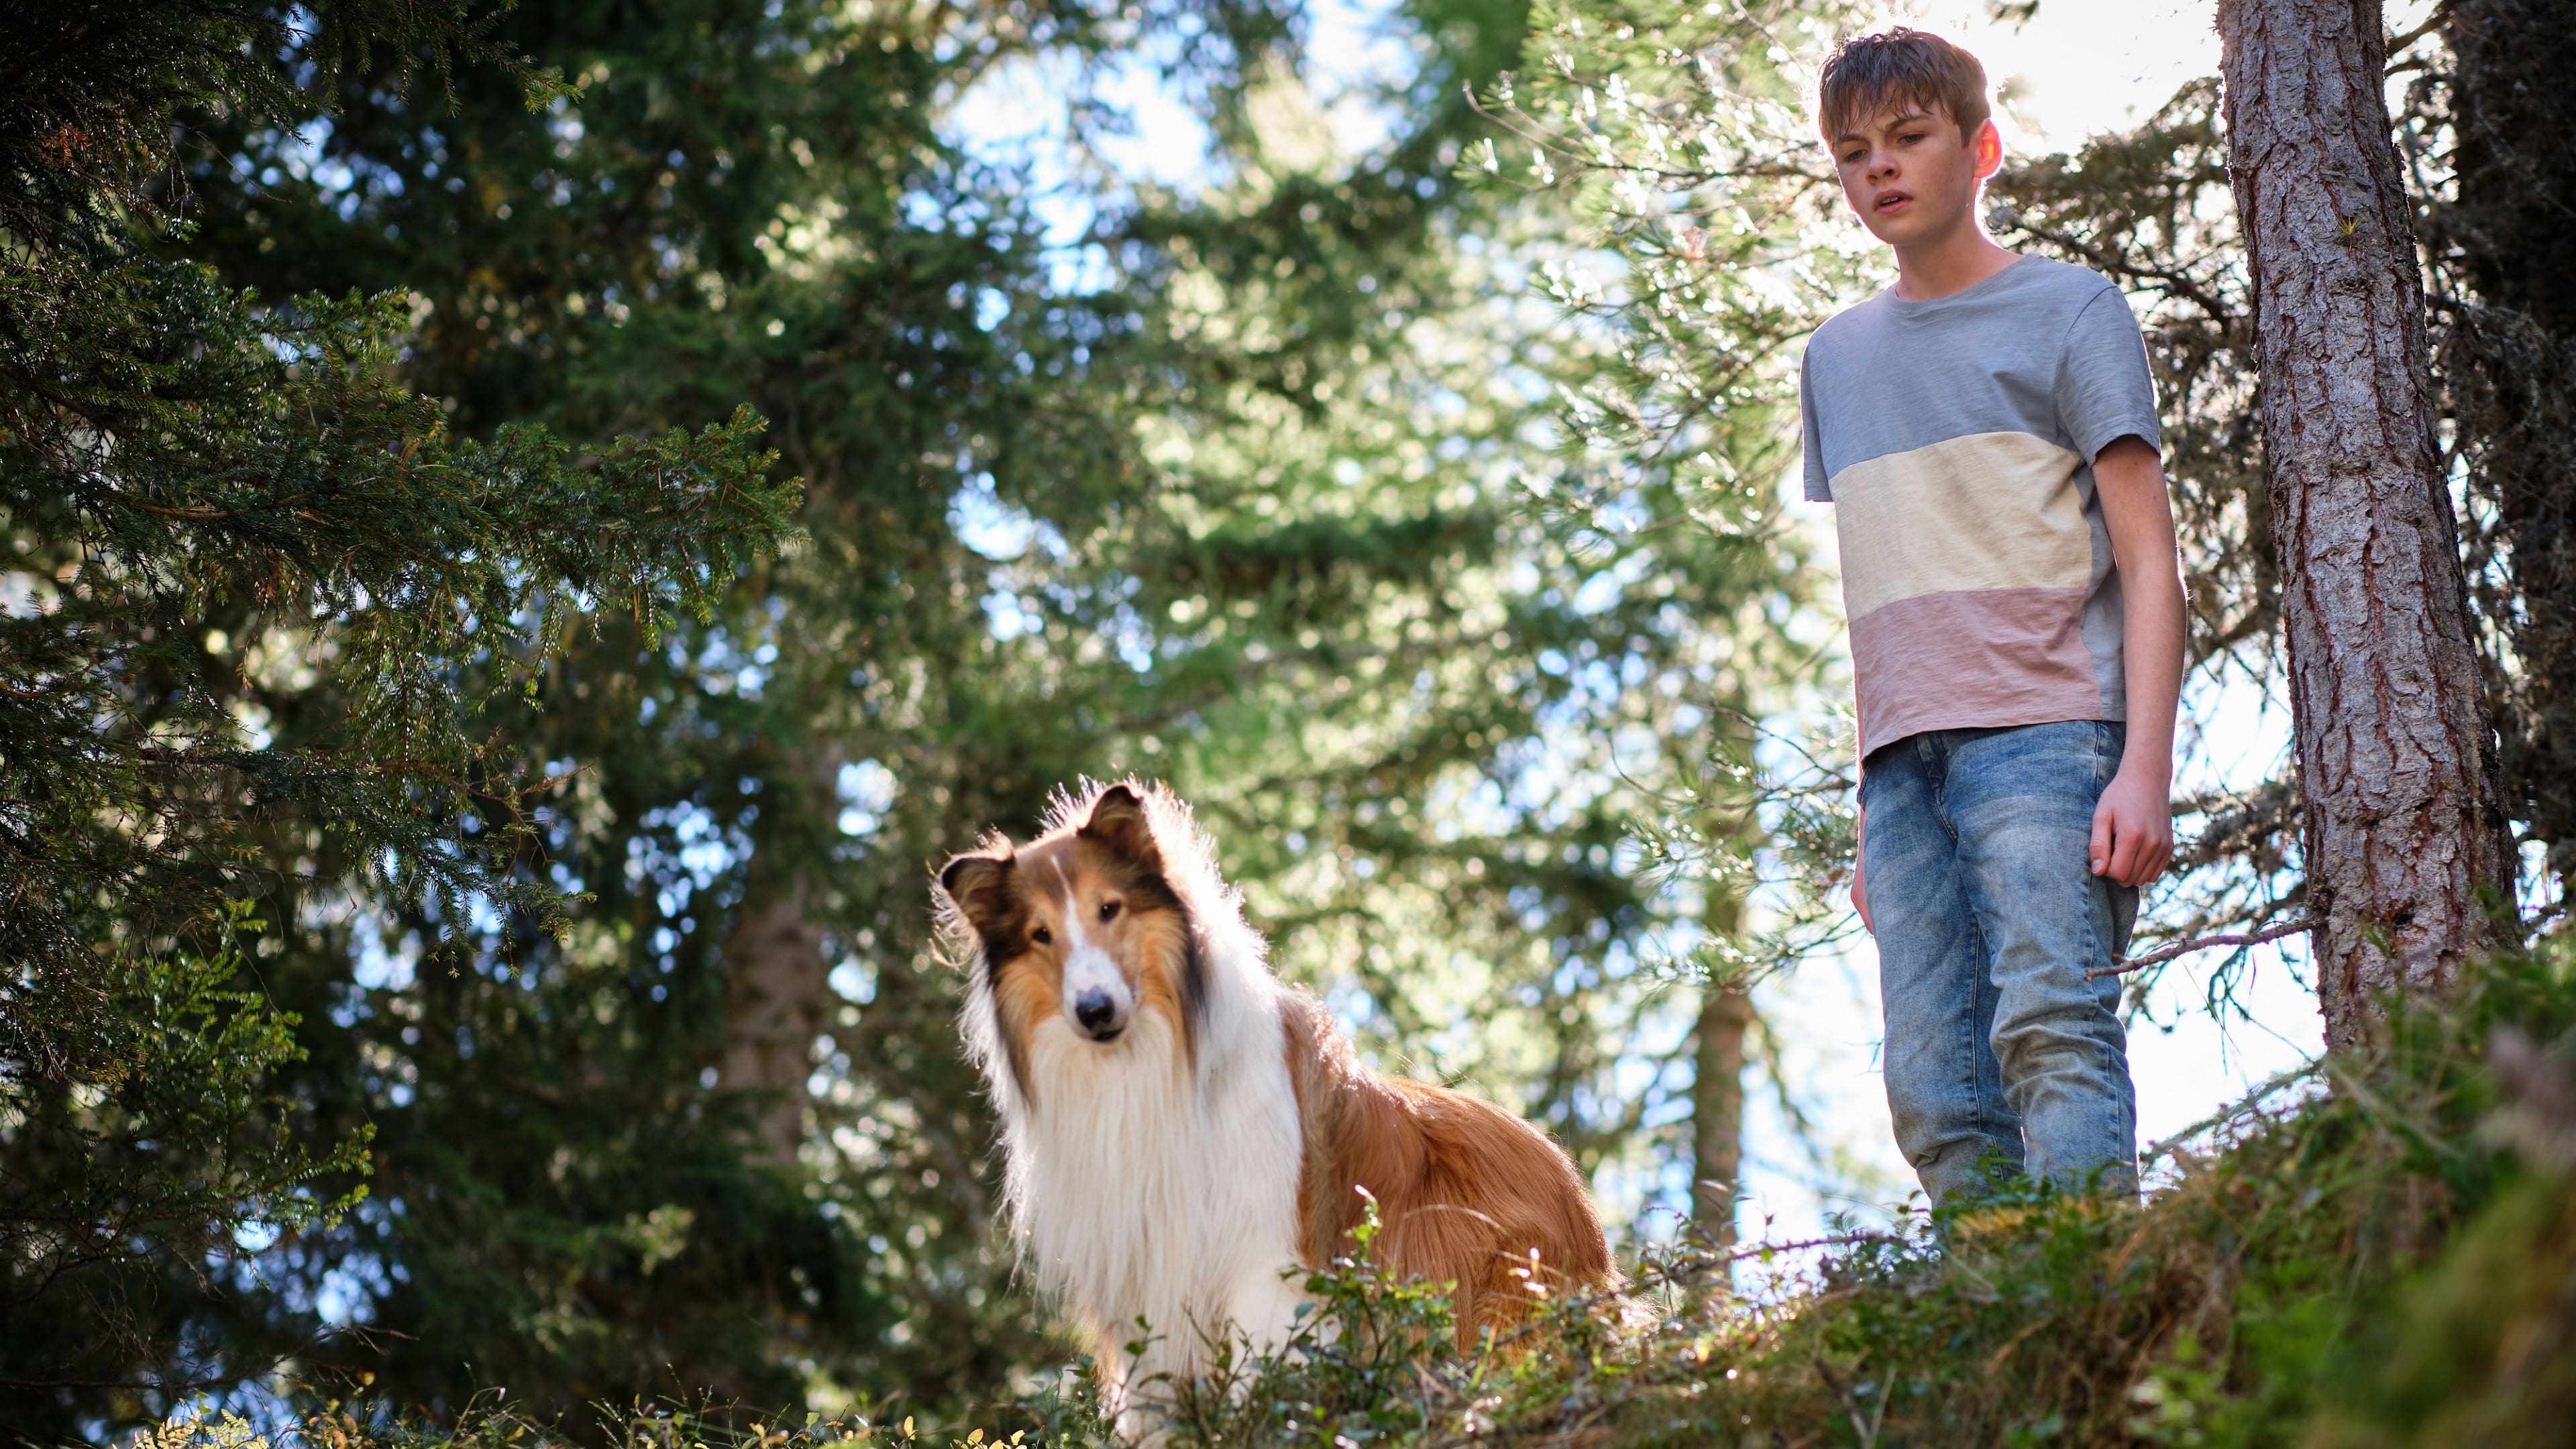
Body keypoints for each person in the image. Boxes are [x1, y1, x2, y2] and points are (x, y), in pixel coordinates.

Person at [1799, 29, 2183, 1210]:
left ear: (1982, 147)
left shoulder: (2071, 312)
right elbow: (1878, 585)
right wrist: (1869, 802)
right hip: (1901, 767)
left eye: (1910, 138)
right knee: (1934, 1090)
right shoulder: (1835, 358)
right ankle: (2002, 1341)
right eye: (1854, 152)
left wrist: (2147, 770)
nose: (1882, 170)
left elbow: (2152, 562)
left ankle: (2094, 1318)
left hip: (2051, 734)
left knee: (2054, 1029)